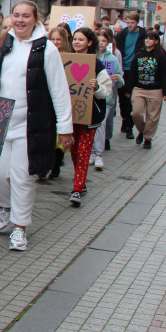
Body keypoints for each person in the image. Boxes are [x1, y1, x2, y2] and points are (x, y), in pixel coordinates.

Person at [0, 2, 73, 251]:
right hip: (1, 122)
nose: (20, 20)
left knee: (22, 178)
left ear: (36, 20)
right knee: (0, 175)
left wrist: (64, 126)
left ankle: (20, 228)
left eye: (26, 16)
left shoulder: (46, 50)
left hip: (31, 125)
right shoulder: (2, 43)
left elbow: (59, 90)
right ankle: (6, 208)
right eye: (16, 15)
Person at [66, 27, 112, 207]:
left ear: (90, 43)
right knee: (75, 150)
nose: (76, 42)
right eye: (75, 39)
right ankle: (81, 182)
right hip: (71, 115)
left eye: (81, 39)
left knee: (84, 151)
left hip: (90, 116)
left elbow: (106, 92)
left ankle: (77, 188)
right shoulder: (67, 62)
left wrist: (96, 87)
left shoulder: (98, 66)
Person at [129, 31, 166, 150]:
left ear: (156, 41)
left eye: (151, 39)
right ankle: (142, 131)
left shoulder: (160, 56)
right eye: (146, 38)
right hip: (139, 88)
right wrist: (128, 88)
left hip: (155, 89)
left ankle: (148, 138)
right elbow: (133, 72)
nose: (147, 40)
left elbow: (164, 74)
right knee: (136, 112)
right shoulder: (139, 55)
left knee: (152, 116)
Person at [92, 27, 123, 170]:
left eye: (104, 41)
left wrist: (118, 78)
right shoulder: (91, 57)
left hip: (107, 98)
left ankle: (99, 154)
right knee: (91, 126)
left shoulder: (113, 58)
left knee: (101, 125)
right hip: (91, 97)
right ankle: (91, 152)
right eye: (99, 40)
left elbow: (121, 79)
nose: (101, 43)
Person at [46, 27, 73, 180]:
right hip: (48, 102)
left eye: (58, 39)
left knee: (60, 134)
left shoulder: (70, 58)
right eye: (53, 39)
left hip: (63, 100)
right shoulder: (46, 54)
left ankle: (56, 165)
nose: (55, 42)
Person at [115, 11, 146, 139]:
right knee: (123, 98)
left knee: (133, 98)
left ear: (137, 23)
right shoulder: (122, 34)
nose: (130, 25)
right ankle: (125, 119)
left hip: (136, 70)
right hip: (124, 69)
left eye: (132, 23)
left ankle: (130, 126)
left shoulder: (143, 34)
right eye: (128, 23)